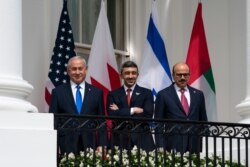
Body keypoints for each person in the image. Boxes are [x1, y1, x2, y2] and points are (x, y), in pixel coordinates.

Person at [49, 56, 107, 154]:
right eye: (74, 69)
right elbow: (53, 120)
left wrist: (102, 144)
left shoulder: (96, 93)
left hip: (90, 144)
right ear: (68, 71)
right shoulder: (58, 92)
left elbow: (101, 121)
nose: (77, 72)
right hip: (66, 144)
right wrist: (54, 143)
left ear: (86, 70)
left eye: (80, 68)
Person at [154, 62, 207, 153]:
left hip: (194, 144)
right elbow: (158, 123)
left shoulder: (198, 94)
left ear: (189, 75)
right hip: (173, 144)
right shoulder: (163, 94)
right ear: (173, 76)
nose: (182, 77)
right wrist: (160, 145)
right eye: (179, 75)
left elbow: (203, 120)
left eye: (185, 75)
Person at [107, 61, 155, 151]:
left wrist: (120, 111)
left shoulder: (146, 93)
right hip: (119, 140)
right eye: (127, 73)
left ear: (137, 75)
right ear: (121, 75)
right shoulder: (113, 94)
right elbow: (112, 114)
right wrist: (133, 110)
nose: (130, 76)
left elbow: (148, 115)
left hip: (142, 140)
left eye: (133, 73)